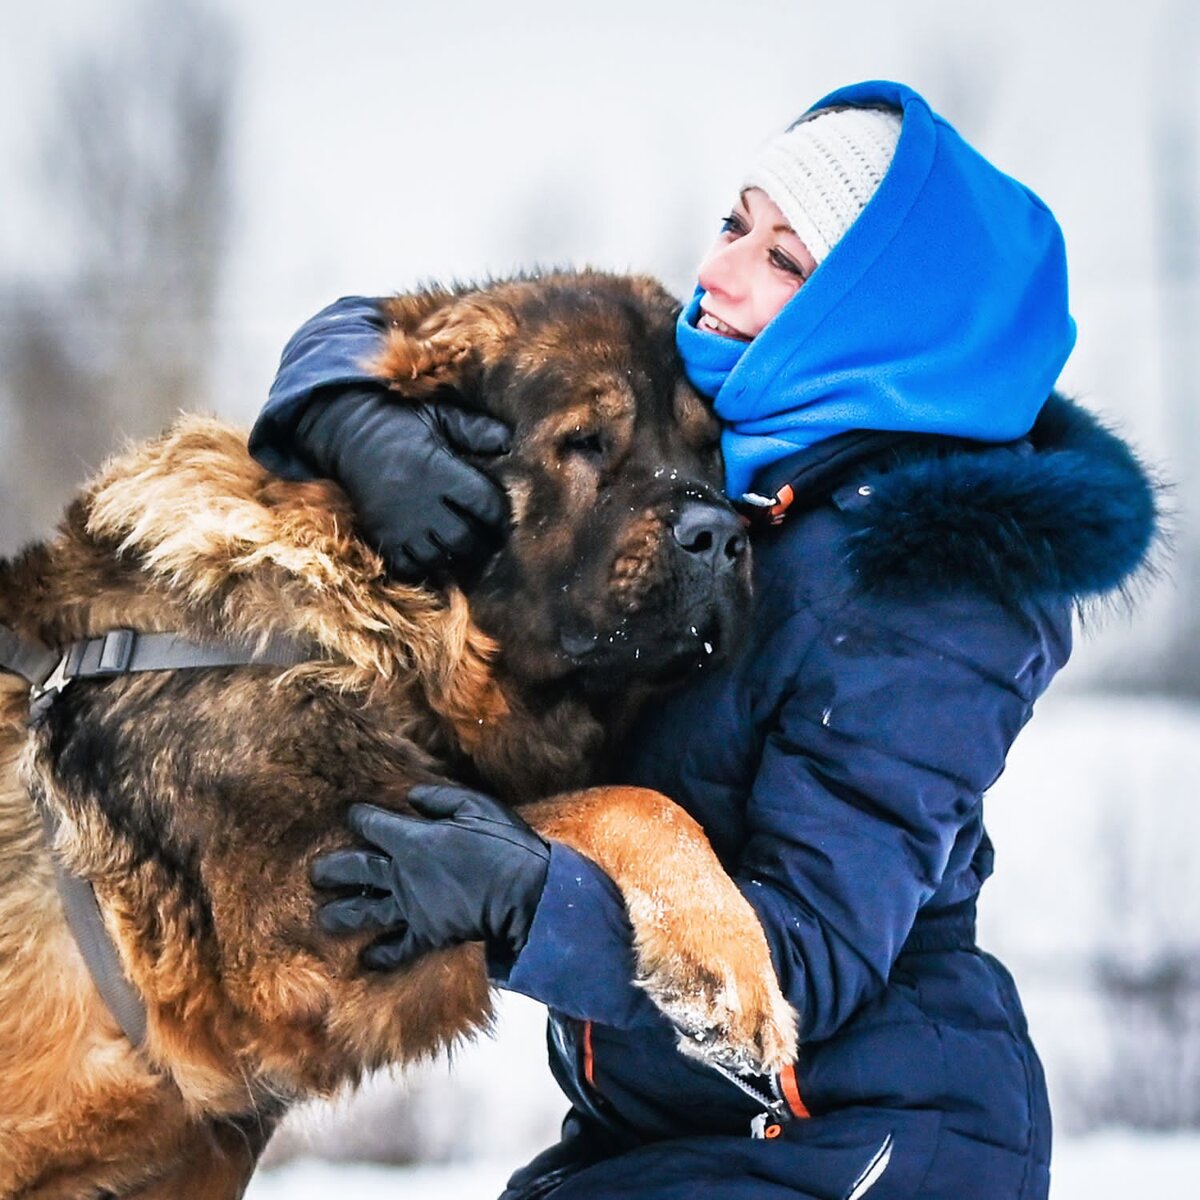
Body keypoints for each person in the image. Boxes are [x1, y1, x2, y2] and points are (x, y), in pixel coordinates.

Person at [249, 80, 1159, 1200]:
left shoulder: (930, 594)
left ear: (874, 321)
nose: (721, 277)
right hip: (652, 1130)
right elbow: (403, 328)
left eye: (787, 261)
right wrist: (350, 417)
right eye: (736, 224)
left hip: (865, 1139)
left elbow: (811, 958)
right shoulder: (717, 421)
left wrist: (527, 898)